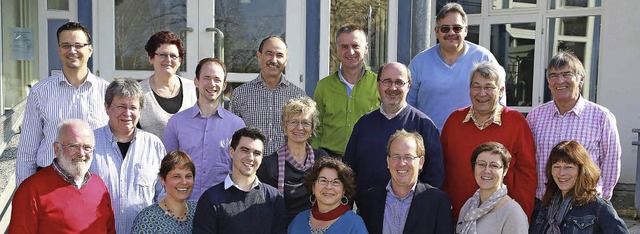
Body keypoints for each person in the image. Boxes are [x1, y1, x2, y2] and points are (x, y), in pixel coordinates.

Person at [16, 22, 109, 185]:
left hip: (93, 184)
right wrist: (23, 194)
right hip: (48, 183)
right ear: (59, 50)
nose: (72, 51)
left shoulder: (107, 92)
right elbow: (27, 152)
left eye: (78, 45)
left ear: (90, 50)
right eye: (66, 45)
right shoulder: (40, 92)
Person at [440, 61, 536, 220]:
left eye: (489, 87)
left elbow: (527, 175)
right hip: (457, 218)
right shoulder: (454, 121)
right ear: (469, 90)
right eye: (476, 86)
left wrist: (520, 217)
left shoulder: (516, 122)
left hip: (500, 220)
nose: (481, 93)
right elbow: (441, 169)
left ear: (501, 90)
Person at [527, 51, 620, 202]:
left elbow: (610, 163)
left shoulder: (601, 117)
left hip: (585, 204)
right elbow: (529, 161)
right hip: (544, 203)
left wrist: (602, 201)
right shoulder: (535, 116)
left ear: (581, 79)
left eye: (566, 74)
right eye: (553, 75)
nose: (560, 80)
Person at [344, 62, 444, 199]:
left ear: (408, 86)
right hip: (368, 213)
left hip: (412, 213)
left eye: (399, 82)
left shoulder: (424, 125)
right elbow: (348, 172)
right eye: (387, 81)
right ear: (378, 85)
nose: (393, 88)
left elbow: (435, 177)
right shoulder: (364, 125)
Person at [9, 119, 115, 233]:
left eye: (87, 147)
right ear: (56, 148)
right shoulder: (30, 190)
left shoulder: (99, 186)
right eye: (73, 146)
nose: (81, 153)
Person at [90, 78, 166, 234]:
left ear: (140, 110)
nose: (127, 113)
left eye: (133, 107)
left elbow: (163, 194)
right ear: (107, 107)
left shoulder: (154, 145)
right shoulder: (89, 144)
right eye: (121, 106)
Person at [163, 58, 245, 201]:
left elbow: (240, 171)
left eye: (217, 79)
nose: (212, 84)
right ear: (196, 81)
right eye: (206, 78)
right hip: (183, 206)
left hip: (221, 207)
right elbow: (166, 169)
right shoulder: (176, 122)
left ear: (224, 85)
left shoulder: (236, 125)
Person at [407, 2, 497, 130]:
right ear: (436, 31)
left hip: (473, 140)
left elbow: (498, 102)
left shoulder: (483, 58)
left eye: (457, 28)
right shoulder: (419, 63)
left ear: (465, 30)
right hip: (429, 141)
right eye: (445, 28)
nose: (451, 32)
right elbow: (407, 106)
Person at [193, 127, 285, 233]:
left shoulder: (274, 197)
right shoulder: (210, 199)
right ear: (232, 152)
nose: (250, 157)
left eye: (257, 153)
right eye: (245, 150)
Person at [358, 130, 453, 233]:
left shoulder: (438, 202)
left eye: (408, 157)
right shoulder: (369, 201)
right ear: (388, 161)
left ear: (421, 162)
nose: (402, 163)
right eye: (396, 157)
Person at [257, 97, 329, 225]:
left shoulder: (322, 159)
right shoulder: (269, 164)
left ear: (312, 128)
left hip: (317, 226)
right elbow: (261, 207)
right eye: (293, 122)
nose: (299, 127)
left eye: (306, 123)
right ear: (285, 126)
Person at [530, 141, 628, 233]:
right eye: (556, 166)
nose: (562, 173)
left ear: (581, 171)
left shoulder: (599, 208)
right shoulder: (545, 206)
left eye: (569, 167)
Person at [231, 36, 307, 156]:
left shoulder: (298, 96)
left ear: (286, 60)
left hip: (288, 167)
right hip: (251, 166)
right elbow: (233, 136)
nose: (274, 60)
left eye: (280, 55)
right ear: (259, 56)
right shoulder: (240, 94)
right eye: (269, 53)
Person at [312, 24, 380, 157]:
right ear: (337, 50)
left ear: (365, 48)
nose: (351, 52)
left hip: (368, 157)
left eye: (355, 46)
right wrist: (315, 156)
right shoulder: (323, 86)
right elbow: (316, 128)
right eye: (344, 46)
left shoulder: (379, 84)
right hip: (330, 159)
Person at [457, 142, 528, 234]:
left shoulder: (513, 213)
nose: (487, 171)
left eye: (494, 166)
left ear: (505, 170)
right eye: (481, 164)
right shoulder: (469, 205)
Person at [139, 31, 197, 139]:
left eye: (173, 56)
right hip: (151, 156)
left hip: (189, 156)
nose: (168, 60)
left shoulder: (193, 89)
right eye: (162, 55)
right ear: (151, 58)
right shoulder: (139, 92)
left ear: (180, 60)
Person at [288, 157, 368, 233]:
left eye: (336, 182)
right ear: (313, 187)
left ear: (344, 189)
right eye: (323, 180)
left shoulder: (354, 224)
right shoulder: (299, 220)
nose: (328, 187)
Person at [131, 151, 197, 233]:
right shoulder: (148, 219)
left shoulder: (199, 211)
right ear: (162, 179)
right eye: (176, 177)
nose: (184, 182)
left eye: (188, 176)